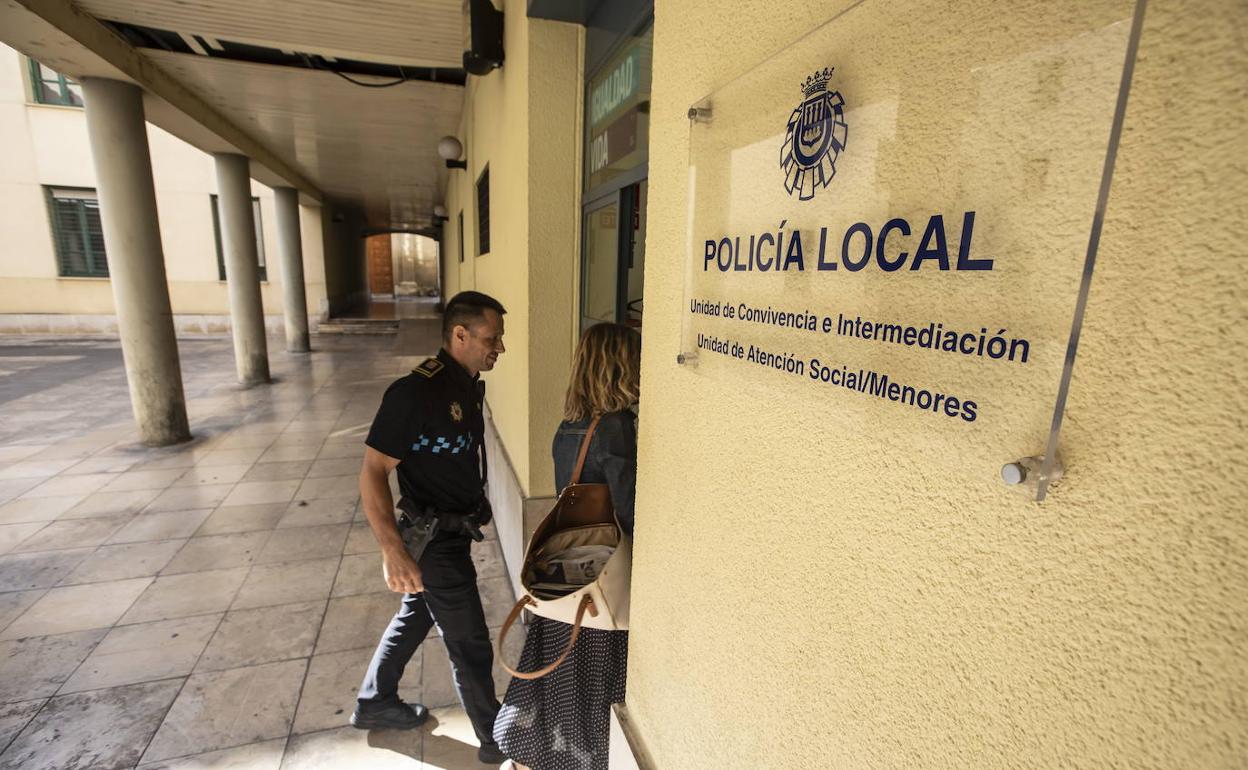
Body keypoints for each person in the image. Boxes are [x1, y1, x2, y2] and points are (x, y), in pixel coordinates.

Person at [352, 290, 509, 765]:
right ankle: (493, 736)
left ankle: (375, 700)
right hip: (433, 540)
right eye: (492, 338)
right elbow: (373, 471)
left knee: (417, 612)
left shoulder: (465, 383)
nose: (499, 348)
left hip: (451, 532)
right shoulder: (416, 391)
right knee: (469, 643)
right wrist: (391, 550)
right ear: (460, 334)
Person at [493, 322, 640, 770]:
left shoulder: (569, 425)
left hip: (569, 574)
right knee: (594, 683)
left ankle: (536, 759)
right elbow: (628, 508)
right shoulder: (616, 428)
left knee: (559, 680)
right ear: (623, 365)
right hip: (602, 579)